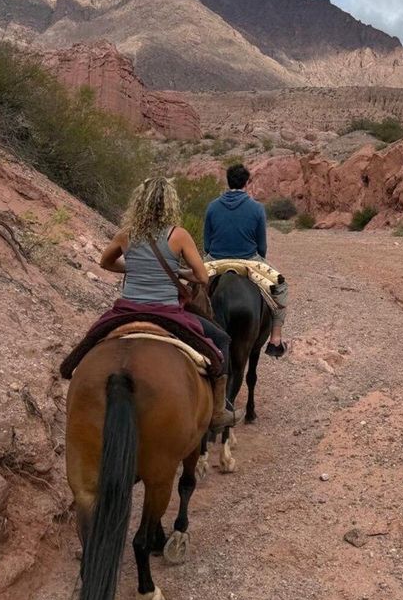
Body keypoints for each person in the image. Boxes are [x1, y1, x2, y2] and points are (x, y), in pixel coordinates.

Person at [98, 176, 242, 429]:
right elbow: (202, 277)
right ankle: (218, 413)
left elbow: (106, 263)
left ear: (139, 203)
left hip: (127, 309)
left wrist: (133, 268)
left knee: (91, 340)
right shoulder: (179, 236)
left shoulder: (125, 235)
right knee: (221, 341)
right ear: (169, 205)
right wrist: (180, 273)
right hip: (167, 312)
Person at [204, 163, 288, 357]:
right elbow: (262, 246)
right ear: (246, 183)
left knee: (189, 287)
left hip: (215, 260)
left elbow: (207, 244)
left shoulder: (212, 207)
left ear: (228, 182)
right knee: (281, 288)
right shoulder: (257, 208)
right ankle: (275, 339)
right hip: (249, 261)